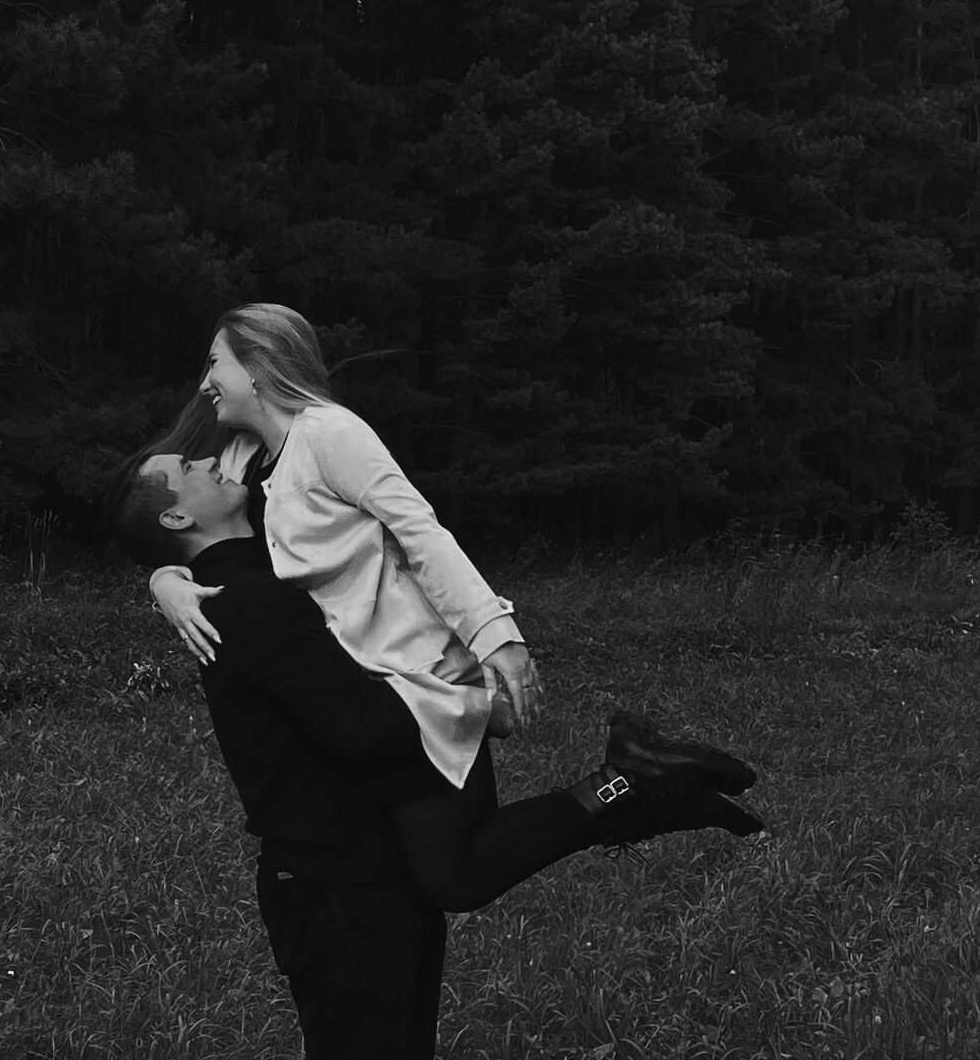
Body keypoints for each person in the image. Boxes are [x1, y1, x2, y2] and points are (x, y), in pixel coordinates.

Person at [108, 444, 764, 1060]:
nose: (216, 461)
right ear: (177, 516)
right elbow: (363, 727)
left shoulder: (262, 572)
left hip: (370, 879)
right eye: (193, 469)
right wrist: (456, 686)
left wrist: (162, 580)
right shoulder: (244, 601)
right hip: (333, 892)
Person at [145, 303, 758, 909]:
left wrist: (496, 635)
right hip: (366, 692)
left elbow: (420, 532)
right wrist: (165, 579)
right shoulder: (242, 461)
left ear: (258, 364)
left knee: (453, 876)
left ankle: (630, 781)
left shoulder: (329, 434)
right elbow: (210, 539)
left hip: (424, 680)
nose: (204, 383)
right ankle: (639, 781)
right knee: (436, 872)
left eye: (215, 363)